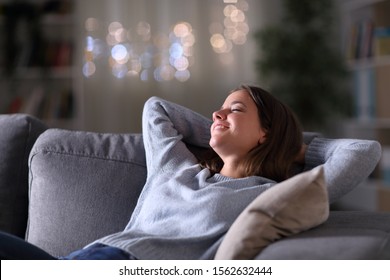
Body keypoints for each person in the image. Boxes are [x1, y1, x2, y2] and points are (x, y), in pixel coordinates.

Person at [0, 84, 381, 260]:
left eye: (235, 108)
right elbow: (156, 109)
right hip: (85, 259)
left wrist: (291, 145)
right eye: (220, 108)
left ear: (266, 132)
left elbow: (364, 152)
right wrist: (223, 127)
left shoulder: (268, 194)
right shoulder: (177, 166)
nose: (219, 112)